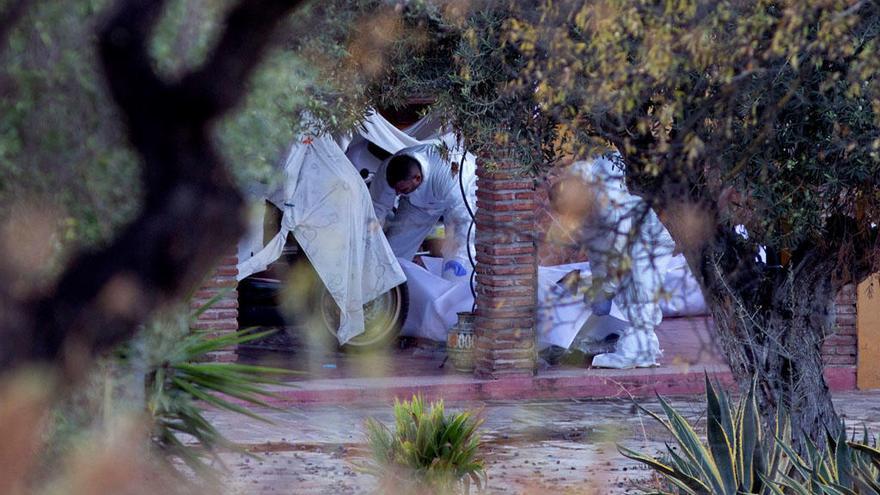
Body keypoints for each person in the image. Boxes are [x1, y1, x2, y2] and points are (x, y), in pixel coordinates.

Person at [560, 154, 674, 368]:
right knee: (629, 294)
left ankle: (635, 352)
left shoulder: (605, 197)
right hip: (633, 240)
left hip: (649, 239)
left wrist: (607, 286)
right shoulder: (588, 208)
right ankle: (643, 347)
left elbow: (617, 245)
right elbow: (598, 252)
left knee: (641, 293)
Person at [370, 143, 477, 282]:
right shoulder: (387, 171)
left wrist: (458, 258)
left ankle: (457, 293)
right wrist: (369, 243)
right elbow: (376, 209)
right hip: (416, 204)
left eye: (403, 189)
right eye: (395, 189)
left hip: (461, 194)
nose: (397, 194)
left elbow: (462, 224)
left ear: (417, 178)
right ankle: (389, 291)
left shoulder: (449, 178)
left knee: (457, 258)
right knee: (393, 253)